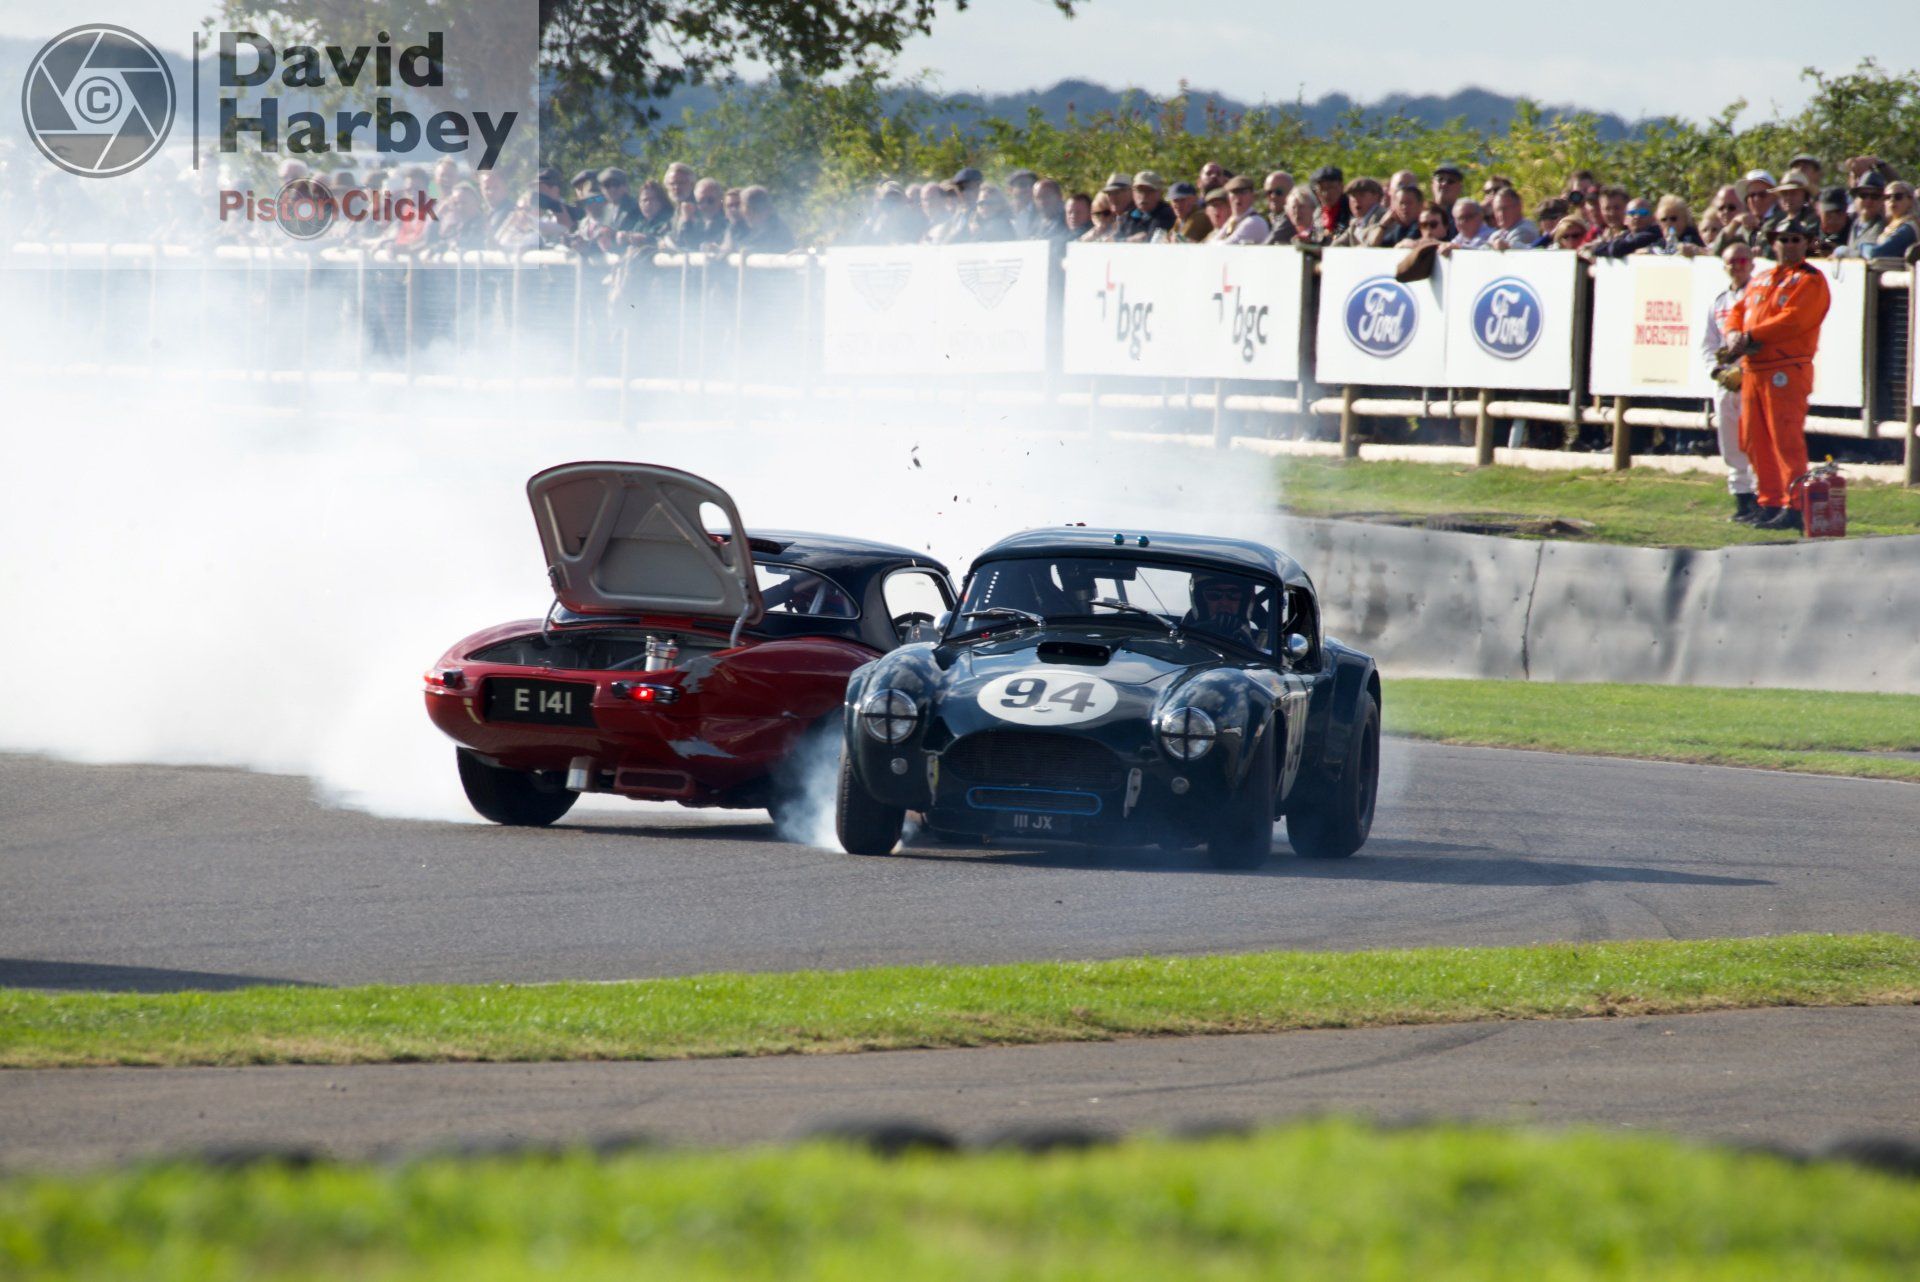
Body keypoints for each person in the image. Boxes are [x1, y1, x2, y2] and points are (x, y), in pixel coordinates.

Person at [1722, 223, 1831, 532]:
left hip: (1786, 368)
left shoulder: (1810, 280)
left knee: (1785, 439)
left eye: (1795, 239)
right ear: (1773, 244)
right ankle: (1769, 501)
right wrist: (1733, 334)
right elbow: (1737, 309)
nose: (1789, 245)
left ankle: (1795, 504)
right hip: (1754, 369)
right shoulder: (1762, 278)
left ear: (1807, 243)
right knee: (1754, 440)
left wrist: (1751, 334)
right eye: (1783, 239)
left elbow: (1793, 321)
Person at [1699, 243, 1761, 522]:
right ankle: (1741, 500)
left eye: (1742, 260)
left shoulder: (1759, 296)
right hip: (1726, 382)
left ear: (1751, 263)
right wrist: (1717, 371)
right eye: (1731, 262)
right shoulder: (1719, 301)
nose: (1737, 266)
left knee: (1755, 440)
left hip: (1754, 378)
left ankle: (1763, 497)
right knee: (1730, 440)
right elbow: (1708, 343)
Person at [1183, 574, 1259, 647]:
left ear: (1244, 601)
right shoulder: (1182, 636)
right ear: (1201, 600)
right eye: (1214, 593)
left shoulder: (1262, 643)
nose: (1224, 603)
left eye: (1233, 593)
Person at [1213, 176, 1271, 244]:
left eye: (1243, 193)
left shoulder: (1255, 221)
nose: (1238, 198)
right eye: (1234, 193)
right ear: (1228, 197)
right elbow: (1211, 244)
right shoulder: (1233, 221)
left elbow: (1228, 247)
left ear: (1252, 196)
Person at [1330, 177, 1385, 246]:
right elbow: (1335, 246)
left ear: (1376, 196)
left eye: (1361, 195)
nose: (1356, 200)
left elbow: (1369, 246)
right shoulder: (1355, 223)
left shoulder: (1383, 217)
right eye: (1352, 196)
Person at [1122, 171, 1176, 241]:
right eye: (1139, 190)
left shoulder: (1166, 214)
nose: (1143, 196)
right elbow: (1114, 239)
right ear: (1133, 192)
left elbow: (1151, 242)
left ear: (1160, 193)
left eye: (1149, 191)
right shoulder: (1131, 214)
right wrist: (1128, 240)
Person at [1310, 165, 1351, 237]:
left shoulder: (1351, 209)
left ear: (1341, 187)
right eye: (1321, 189)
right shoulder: (1317, 213)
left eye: (1331, 188)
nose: (1326, 193)